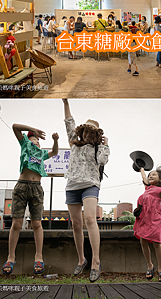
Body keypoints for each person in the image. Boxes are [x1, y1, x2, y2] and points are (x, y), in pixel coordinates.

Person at [62, 99, 110, 282]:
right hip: (72, 185)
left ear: (97, 135)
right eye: (86, 131)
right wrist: (65, 102)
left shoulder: (98, 148)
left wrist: (105, 144)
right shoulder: (73, 143)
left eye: (92, 132)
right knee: (76, 224)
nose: (89, 134)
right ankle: (82, 259)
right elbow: (68, 121)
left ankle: (96, 262)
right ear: (82, 132)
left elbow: (103, 161)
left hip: (90, 184)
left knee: (90, 218)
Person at [2, 124, 59, 276]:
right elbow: (15, 126)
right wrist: (34, 130)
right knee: (16, 224)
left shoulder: (41, 153)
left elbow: (54, 152)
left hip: (37, 188)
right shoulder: (24, 144)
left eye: (39, 141)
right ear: (29, 140)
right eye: (35, 139)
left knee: (37, 223)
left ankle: (38, 257)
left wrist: (55, 140)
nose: (37, 142)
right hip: (21, 186)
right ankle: (11, 257)